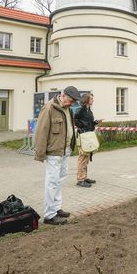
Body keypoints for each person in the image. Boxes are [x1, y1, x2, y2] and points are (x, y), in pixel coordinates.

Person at [34, 86, 81, 225]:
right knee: (52, 181)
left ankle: (56, 208)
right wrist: (40, 153)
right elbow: (41, 132)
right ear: (63, 95)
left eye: (73, 102)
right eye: (70, 101)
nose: (71, 104)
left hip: (65, 150)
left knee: (60, 180)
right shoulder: (49, 108)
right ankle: (49, 215)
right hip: (53, 152)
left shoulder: (67, 109)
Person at [74, 93, 102, 188]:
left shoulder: (88, 110)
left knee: (86, 157)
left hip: (88, 135)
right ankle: (80, 179)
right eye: (91, 99)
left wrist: (95, 122)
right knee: (82, 157)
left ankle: (84, 177)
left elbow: (88, 123)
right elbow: (74, 119)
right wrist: (81, 126)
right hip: (83, 135)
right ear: (86, 99)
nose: (93, 100)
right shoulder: (80, 110)